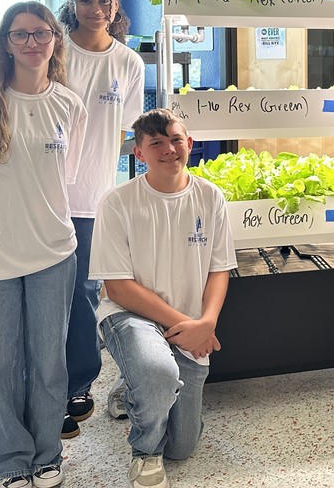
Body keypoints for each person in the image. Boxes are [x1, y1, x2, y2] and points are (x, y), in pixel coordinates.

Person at [0, 2, 88, 488]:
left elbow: (62, 181)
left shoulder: (69, 105)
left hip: (53, 253)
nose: (32, 42)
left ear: (55, 40)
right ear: (5, 43)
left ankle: (47, 456)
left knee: (50, 363)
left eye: (41, 33)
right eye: (20, 34)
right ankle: (11, 462)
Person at [89, 108, 236, 488]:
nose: (169, 149)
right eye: (156, 143)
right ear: (139, 153)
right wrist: (186, 325)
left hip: (189, 321)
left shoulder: (210, 196)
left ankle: (133, 386)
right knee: (158, 373)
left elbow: (219, 269)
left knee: (183, 447)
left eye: (175, 140)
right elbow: (118, 288)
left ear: (189, 143)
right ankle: (145, 453)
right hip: (129, 315)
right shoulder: (117, 202)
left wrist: (206, 323)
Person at [56, 0, 145, 438]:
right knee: (50, 292)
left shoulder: (128, 62)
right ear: (72, 2)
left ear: (115, 5)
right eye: (86, 0)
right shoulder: (54, 51)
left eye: (104, 0)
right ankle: (48, 385)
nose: (96, 9)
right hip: (46, 194)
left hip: (93, 194)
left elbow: (129, 127)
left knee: (85, 293)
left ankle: (78, 382)